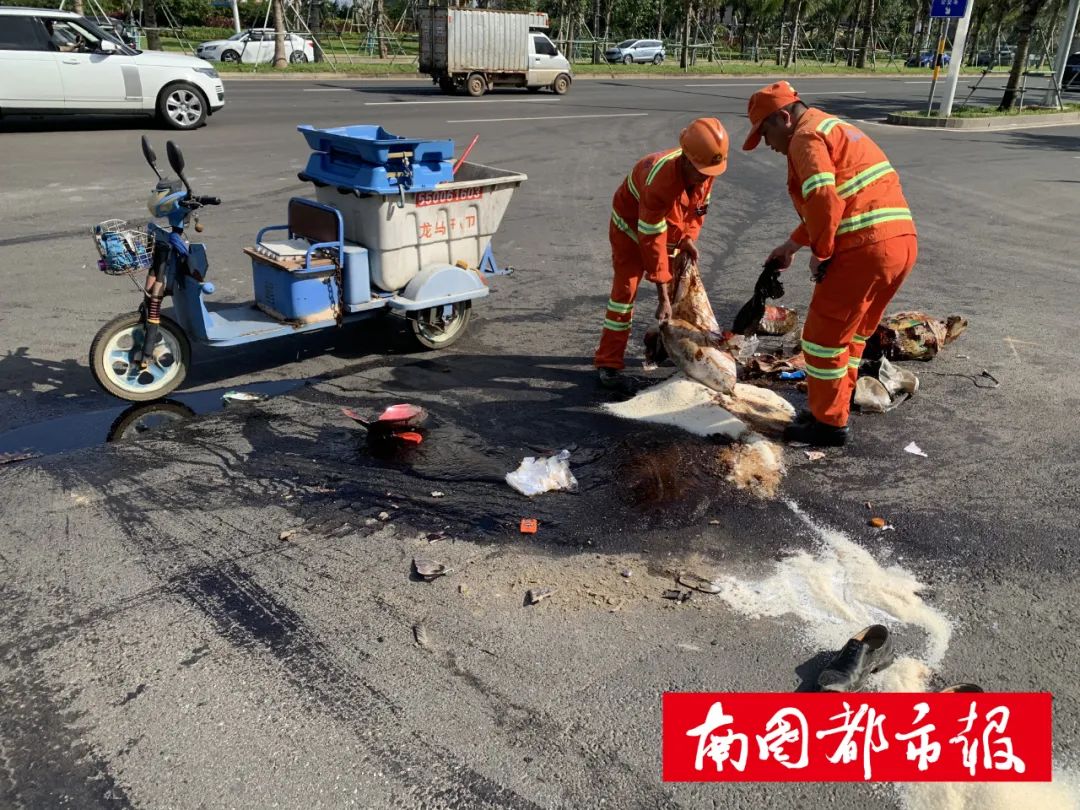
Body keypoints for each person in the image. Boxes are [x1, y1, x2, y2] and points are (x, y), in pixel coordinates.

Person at [742, 81, 918, 446]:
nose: (767, 144)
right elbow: (842, 199)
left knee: (822, 339)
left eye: (765, 132)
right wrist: (792, 245)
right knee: (851, 336)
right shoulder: (832, 128)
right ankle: (835, 407)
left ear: (783, 118)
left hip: (864, 250)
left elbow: (823, 198)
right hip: (899, 244)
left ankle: (828, 425)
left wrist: (820, 253)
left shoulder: (805, 138)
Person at [594, 117, 729, 392]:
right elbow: (651, 240)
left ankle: (668, 344)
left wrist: (689, 237)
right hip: (631, 231)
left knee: (680, 284)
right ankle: (608, 362)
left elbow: (698, 210)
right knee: (625, 293)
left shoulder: (706, 168)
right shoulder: (660, 181)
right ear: (687, 160)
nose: (707, 177)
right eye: (702, 171)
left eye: (710, 171)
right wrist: (662, 296)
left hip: (666, 230)